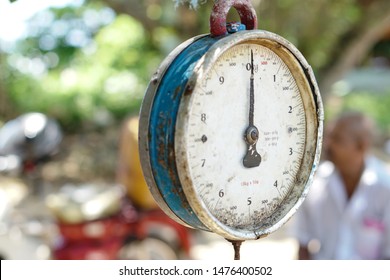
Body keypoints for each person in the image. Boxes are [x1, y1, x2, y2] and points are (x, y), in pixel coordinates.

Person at [292, 111, 390, 259]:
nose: (328, 145)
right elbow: (303, 243)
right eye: (329, 138)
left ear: (362, 146)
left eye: (337, 139)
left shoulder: (384, 188)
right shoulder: (315, 183)